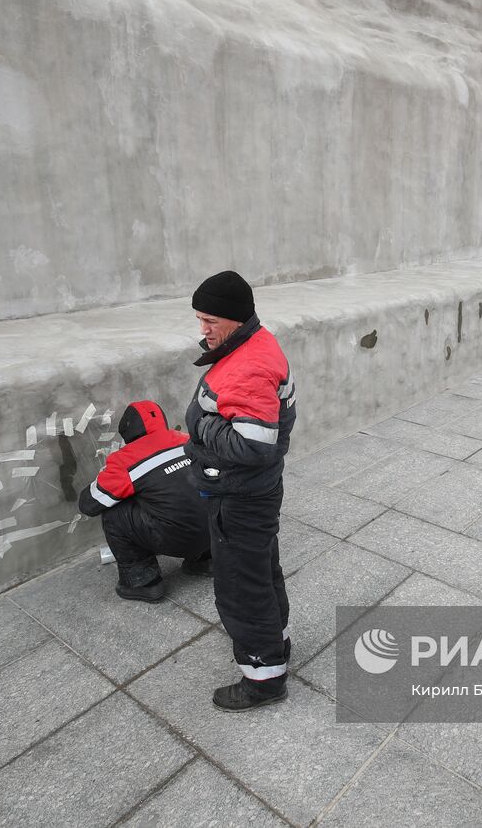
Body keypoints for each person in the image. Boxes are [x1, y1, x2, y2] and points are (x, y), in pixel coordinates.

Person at [185, 270, 297, 711]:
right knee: (261, 571)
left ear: (235, 318)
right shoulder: (255, 343)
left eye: (210, 320)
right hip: (253, 491)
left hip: (240, 494)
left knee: (239, 586)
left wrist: (205, 424)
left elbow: (254, 444)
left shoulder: (250, 364)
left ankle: (263, 677)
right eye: (199, 319)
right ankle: (276, 643)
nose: (203, 329)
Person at [76, 400, 210, 603]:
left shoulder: (125, 460)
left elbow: (89, 504)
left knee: (113, 510)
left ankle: (142, 581)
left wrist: (107, 475)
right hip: (218, 530)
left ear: (127, 430)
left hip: (179, 538)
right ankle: (207, 559)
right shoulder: (187, 439)